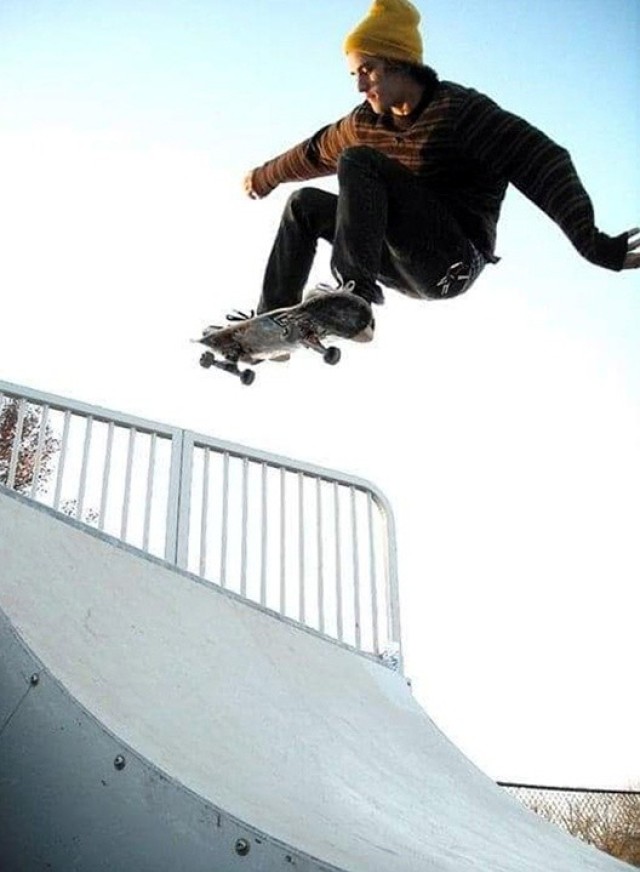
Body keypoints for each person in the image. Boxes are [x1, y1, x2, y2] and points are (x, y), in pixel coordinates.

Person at [242, 0, 639, 324]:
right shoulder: (364, 123)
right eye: (354, 74)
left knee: (359, 161)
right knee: (304, 205)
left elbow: (543, 160)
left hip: (454, 260)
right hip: (398, 262)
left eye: (369, 71)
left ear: (400, 63)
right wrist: (266, 176)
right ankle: (273, 322)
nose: (361, 85)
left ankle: (353, 293)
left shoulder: (460, 112)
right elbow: (314, 151)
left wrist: (593, 242)